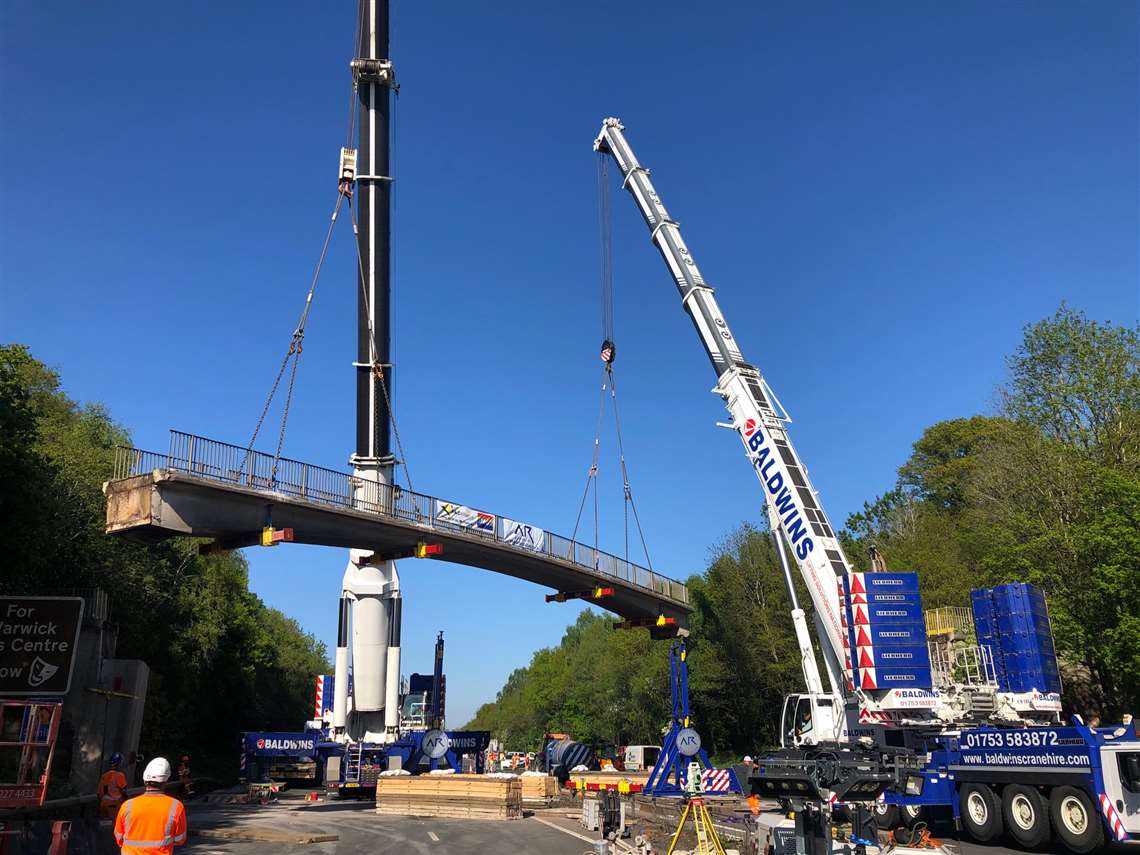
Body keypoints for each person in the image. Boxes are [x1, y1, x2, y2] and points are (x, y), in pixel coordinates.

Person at [114, 757, 187, 854]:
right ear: (165, 781)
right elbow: (180, 839)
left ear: (144, 780)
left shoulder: (127, 805)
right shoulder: (176, 806)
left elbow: (119, 837)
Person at [98, 753, 128, 819]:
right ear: (119, 763)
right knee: (114, 825)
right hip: (114, 804)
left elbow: (99, 793)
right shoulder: (120, 775)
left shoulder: (104, 775)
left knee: (104, 824)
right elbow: (124, 791)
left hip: (103, 803)